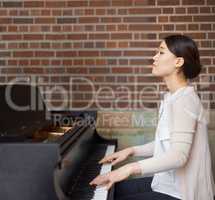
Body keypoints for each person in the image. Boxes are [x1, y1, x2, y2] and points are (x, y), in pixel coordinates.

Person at [90, 34, 215, 200]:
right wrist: (131, 151)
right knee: (108, 191)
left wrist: (128, 169)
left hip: (183, 194)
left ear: (178, 62)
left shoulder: (185, 100)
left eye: (161, 52)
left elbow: (179, 156)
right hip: (166, 183)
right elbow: (168, 142)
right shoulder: (173, 97)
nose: (154, 57)